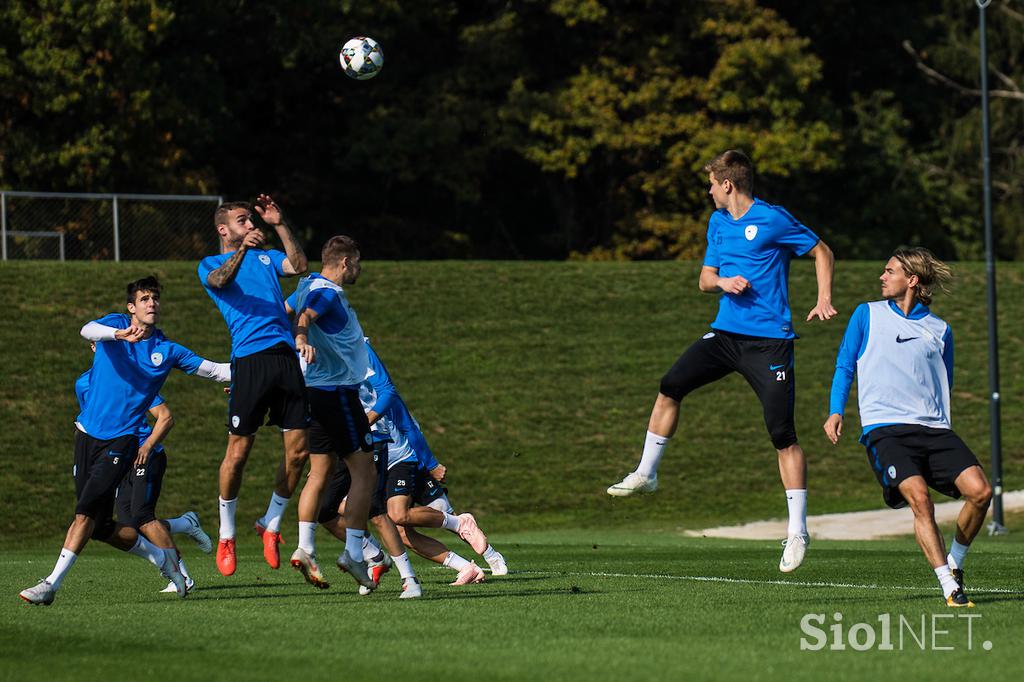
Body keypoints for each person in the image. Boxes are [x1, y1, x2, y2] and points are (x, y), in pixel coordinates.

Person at [606, 149, 836, 573]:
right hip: (726, 335)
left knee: (782, 434)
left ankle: (798, 531)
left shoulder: (773, 218)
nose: (709, 190)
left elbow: (822, 250)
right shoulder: (716, 223)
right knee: (671, 385)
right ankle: (646, 473)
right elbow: (704, 279)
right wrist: (724, 282)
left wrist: (823, 298)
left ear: (727, 184)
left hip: (769, 344)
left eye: (712, 183)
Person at [19, 277, 230, 605]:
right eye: (145, 299)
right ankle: (165, 560)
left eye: (155, 298)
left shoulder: (167, 350)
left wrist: (261, 371)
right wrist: (118, 335)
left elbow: (216, 370)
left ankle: (50, 585)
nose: (152, 304)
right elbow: (86, 330)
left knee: (84, 514)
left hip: (123, 441)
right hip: (86, 436)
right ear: (131, 307)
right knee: (101, 527)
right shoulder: (113, 327)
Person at [824, 248, 992, 607]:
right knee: (920, 499)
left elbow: (944, 381)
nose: (882, 277)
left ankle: (956, 564)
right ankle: (949, 586)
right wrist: (835, 410)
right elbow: (844, 366)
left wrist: (941, 424)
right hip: (886, 429)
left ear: (911, 280)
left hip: (934, 430)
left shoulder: (941, 330)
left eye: (890, 271)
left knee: (981, 492)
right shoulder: (866, 314)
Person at [198, 194, 309, 576]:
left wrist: (279, 223)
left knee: (298, 453)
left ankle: (271, 524)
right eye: (242, 221)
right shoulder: (211, 264)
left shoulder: (266, 257)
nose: (250, 226)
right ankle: (227, 534)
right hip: (249, 359)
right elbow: (219, 280)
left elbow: (299, 265)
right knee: (239, 452)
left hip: (285, 359)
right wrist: (242, 250)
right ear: (223, 229)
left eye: (251, 220)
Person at [360, 339, 507, 581]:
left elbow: (408, 425)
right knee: (403, 534)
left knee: (439, 514)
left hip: (405, 458)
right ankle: (466, 568)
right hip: (379, 464)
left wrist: (430, 464)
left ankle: (491, 555)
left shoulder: (380, 394)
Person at [282, 235, 377, 589]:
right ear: (345, 263)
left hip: (313, 395)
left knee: (318, 472)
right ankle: (354, 552)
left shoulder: (306, 285)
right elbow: (304, 316)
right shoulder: (328, 293)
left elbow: (286, 313)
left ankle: (305, 547)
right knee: (364, 469)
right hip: (338, 393)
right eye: (358, 262)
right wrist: (302, 339)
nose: (359, 269)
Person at [75, 353, 215, 594]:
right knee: (130, 526)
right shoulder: (83, 383)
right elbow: (90, 425)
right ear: (92, 347)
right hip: (117, 458)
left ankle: (182, 576)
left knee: (143, 517)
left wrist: (147, 446)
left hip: (144, 455)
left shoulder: (130, 379)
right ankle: (184, 523)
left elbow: (165, 417)